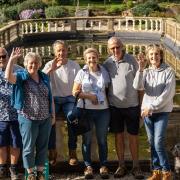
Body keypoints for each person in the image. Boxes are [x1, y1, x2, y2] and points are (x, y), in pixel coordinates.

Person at [5, 49, 54, 180]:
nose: (33, 65)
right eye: (30, 63)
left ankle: (40, 172)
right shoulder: (22, 76)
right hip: (28, 118)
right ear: (26, 64)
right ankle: (31, 173)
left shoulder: (43, 77)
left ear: (39, 64)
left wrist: (52, 115)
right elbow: (7, 77)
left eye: (36, 63)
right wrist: (11, 59)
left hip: (45, 118)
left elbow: (50, 97)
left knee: (43, 147)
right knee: (28, 148)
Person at [103, 37, 144, 179]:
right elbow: (104, 87)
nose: (115, 50)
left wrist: (141, 105)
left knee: (134, 137)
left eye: (117, 47)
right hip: (115, 107)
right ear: (109, 49)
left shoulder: (132, 61)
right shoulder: (107, 64)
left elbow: (140, 86)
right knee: (118, 136)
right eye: (112, 48)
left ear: (122, 47)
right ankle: (121, 166)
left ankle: (136, 166)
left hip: (132, 106)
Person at [133, 44, 175, 180]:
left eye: (156, 54)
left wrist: (151, 106)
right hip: (147, 112)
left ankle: (166, 171)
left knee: (158, 142)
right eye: (151, 54)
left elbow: (168, 94)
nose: (154, 57)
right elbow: (137, 86)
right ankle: (156, 172)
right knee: (152, 143)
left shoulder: (168, 71)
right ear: (147, 56)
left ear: (161, 55)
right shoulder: (146, 71)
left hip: (161, 111)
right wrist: (140, 69)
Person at [72, 48, 110, 179]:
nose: (91, 60)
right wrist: (89, 96)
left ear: (98, 57)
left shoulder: (104, 72)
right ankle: (88, 166)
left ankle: (103, 165)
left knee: (102, 140)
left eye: (94, 57)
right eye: (89, 58)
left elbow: (109, 90)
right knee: (86, 140)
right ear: (85, 59)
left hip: (103, 111)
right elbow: (75, 92)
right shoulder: (81, 72)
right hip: (86, 111)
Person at [43, 40, 80, 166]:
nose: (61, 53)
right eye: (58, 50)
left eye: (63, 50)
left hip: (69, 98)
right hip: (54, 99)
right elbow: (39, 80)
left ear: (67, 50)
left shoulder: (74, 65)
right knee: (50, 119)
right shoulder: (49, 64)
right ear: (54, 52)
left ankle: (72, 151)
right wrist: (51, 69)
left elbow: (80, 84)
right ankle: (52, 151)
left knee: (72, 116)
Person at [0, 47, 22, 180]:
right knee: (1, 143)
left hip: (17, 114)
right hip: (0, 115)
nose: (1, 59)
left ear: (8, 56)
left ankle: (13, 168)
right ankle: (2, 168)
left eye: (3, 56)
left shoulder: (19, 69)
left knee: (15, 143)